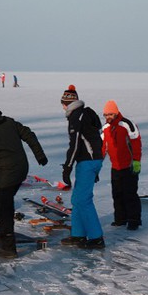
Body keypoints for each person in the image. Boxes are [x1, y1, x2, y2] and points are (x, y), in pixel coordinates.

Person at [0, 105, 48, 258]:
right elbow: (29, 134)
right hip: (21, 169)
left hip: (6, 174)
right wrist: (40, 155)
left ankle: (9, 248)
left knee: (4, 210)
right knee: (2, 207)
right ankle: (3, 234)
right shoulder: (7, 122)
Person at [59, 85, 105, 249]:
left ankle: (96, 238)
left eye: (63, 103)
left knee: (83, 200)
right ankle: (78, 235)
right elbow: (97, 139)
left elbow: (75, 144)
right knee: (76, 199)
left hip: (88, 161)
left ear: (67, 103)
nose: (62, 107)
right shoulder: (84, 113)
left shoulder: (76, 116)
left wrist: (67, 167)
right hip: (90, 161)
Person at [101, 100, 142, 231]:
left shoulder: (127, 124)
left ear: (116, 113)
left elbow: (136, 144)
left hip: (129, 166)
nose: (108, 117)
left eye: (110, 114)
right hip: (115, 167)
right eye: (105, 115)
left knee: (130, 194)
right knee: (117, 194)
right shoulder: (105, 128)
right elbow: (103, 147)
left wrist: (136, 161)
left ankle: (134, 221)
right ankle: (120, 219)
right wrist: (97, 163)